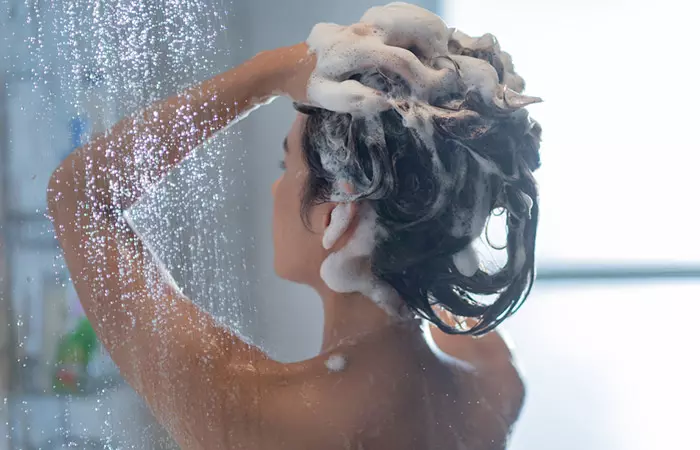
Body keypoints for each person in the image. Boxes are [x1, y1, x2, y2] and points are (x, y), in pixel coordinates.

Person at [47, 4, 541, 449]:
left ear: (338, 218)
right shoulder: (492, 392)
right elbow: (440, 244)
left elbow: (80, 197)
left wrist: (275, 71)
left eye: (285, 168)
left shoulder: (265, 418)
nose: (274, 191)